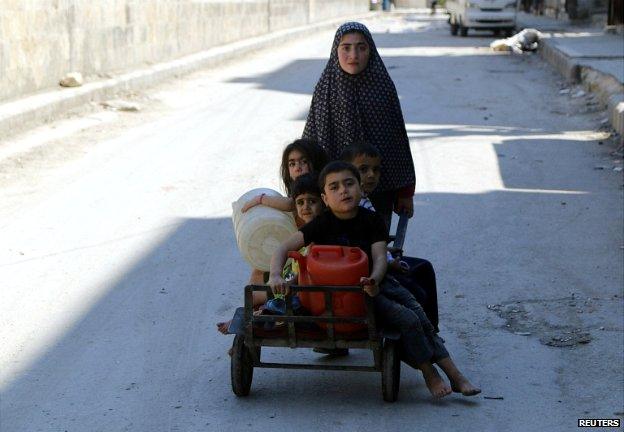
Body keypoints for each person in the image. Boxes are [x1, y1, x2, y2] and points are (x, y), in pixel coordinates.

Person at [268, 161, 480, 399]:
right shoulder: (321, 224)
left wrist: (374, 280)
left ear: (360, 189)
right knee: (408, 319)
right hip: (340, 295)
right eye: (334, 187)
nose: (343, 191)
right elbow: (283, 248)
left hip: (373, 285)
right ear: (325, 199)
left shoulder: (372, 220)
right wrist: (275, 275)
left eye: (349, 184)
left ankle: (455, 375)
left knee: (420, 316)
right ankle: (429, 372)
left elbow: (380, 258)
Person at [302, 22, 416, 232]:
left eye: (361, 47)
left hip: (379, 192)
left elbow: (397, 143)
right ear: (336, 50)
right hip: (333, 196)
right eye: (346, 47)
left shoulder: (383, 87)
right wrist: (302, 188)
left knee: (374, 249)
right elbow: (311, 142)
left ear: (370, 51)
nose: (353, 54)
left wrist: (405, 192)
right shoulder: (325, 90)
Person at [340, 143, 440, 332]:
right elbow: (361, 243)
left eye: (376, 170)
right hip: (367, 269)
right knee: (417, 284)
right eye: (363, 169)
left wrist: (386, 251)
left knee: (422, 269)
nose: (371, 175)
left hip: (372, 260)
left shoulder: (362, 200)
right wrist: (389, 260)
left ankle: (429, 331)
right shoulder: (356, 204)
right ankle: (423, 333)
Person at [217, 173, 324, 335]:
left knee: (263, 299)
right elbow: (283, 249)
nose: (306, 207)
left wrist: (288, 283)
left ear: (324, 201)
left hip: (307, 289)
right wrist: (259, 199)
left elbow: (308, 273)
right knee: (259, 272)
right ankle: (254, 315)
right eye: (300, 203)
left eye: (312, 201)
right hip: (295, 280)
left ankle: (256, 316)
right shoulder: (302, 229)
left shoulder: (322, 231)